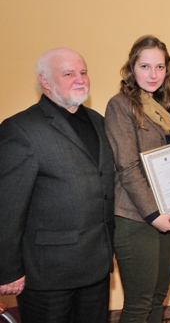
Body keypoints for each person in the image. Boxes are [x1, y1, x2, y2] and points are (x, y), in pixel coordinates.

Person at [0, 48, 115, 323]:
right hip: (48, 274)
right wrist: (7, 269)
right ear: (46, 81)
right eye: (68, 73)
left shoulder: (98, 122)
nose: (80, 79)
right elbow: (7, 206)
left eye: (83, 72)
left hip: (96, 267)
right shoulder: (21, 129)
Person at [104, 35, 170, 323]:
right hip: (136, 217)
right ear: (132, 68)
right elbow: (128, 166)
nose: (153, 74)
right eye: (145, 66)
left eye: (159, 67)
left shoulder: (167, 107)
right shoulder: (120, 105)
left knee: (159, 299)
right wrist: (153, 213)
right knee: (139, 303)